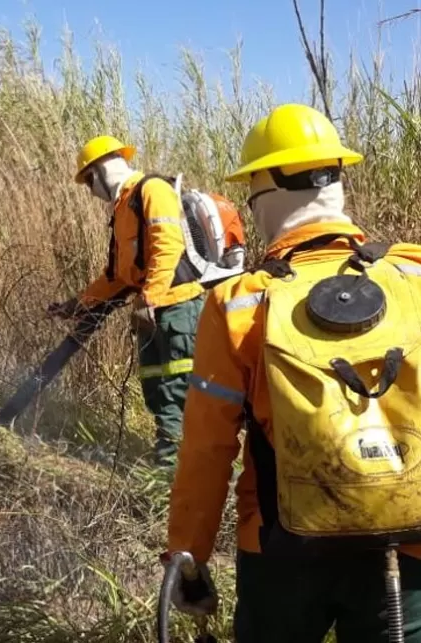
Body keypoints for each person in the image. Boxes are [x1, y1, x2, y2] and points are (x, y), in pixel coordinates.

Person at [162, 103, 421, 642]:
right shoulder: (414, 274)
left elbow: (208, 449)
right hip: (409, 543)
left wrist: (188, 558)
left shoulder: (240, 303)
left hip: (281, 551)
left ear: (267, 192)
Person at [48, 135, 206, 467]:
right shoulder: (123, 208)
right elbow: (117, 277)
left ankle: (173, 475)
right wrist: (75, 305)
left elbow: (168, 246)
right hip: (150, 313)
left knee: (176, 390)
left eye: (88, 181)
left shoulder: (152, 190)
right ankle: (170, 466)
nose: (90, 190)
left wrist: (149, 299)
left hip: (176, 310)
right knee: (155, 390)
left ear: (100, 171)